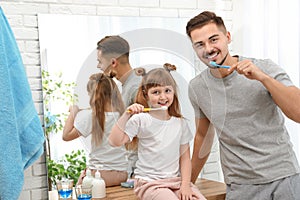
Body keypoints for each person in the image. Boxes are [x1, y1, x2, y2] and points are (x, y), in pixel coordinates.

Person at [186, 11, 300, 199]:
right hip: (241, 186)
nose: (208, 49)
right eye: (200, 45)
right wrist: (187, 183)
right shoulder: (198, 87)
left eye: (214, 39)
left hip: (284, 178)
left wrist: (262, 78)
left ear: (227, 37)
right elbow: (203, 136)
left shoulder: (265, 68)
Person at [108, 63, 206, 200]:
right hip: (149, 183)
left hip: (175, 182)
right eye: (156, 92)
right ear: (146, 95)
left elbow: (185, 159)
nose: (163, 97)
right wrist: (126, 115)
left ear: (174, 92)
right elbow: (114, 141)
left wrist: (185, 185)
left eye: (167, 91)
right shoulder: (141, 120)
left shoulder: (180, 123)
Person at [63, 72, 128, 187]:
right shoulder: (124, 115)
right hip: (122, 174)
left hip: (100, 176)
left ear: (94, 96)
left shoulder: (93, 116)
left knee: (79, 187)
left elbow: (66, 136)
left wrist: (73, 111)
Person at [96, 35, 141, 178]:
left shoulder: (135, 88)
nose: (99, 66)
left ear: (113, 62)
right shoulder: (130, 85)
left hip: (140, 170)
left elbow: (147, 133)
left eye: (100, 62)